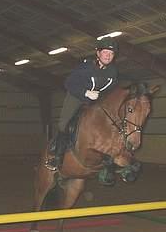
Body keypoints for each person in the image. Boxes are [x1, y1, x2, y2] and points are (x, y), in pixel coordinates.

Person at [45, 36, 119, 170]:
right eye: (105, 52)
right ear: (98, 53)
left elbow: (111, 90)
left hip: (97, 100)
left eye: (111, 53)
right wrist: (86, 93)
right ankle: (57, 157)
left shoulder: (113, 72)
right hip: (77, 96)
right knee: (64, 123)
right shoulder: (86, 67)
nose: (108, 56)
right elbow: (69, 83)